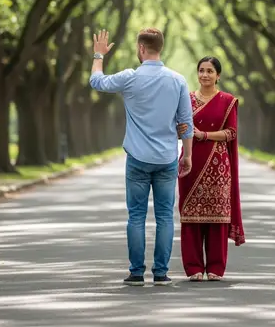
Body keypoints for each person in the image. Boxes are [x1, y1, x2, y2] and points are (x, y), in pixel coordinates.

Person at [89, 28, 194, 287]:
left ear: (141, 48)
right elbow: (186, 122)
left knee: (136, 216)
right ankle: (161, 273)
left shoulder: (129, 78)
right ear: (160, 48)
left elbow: (96, 82)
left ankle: (136, 273)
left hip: (137, 157)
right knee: (165, 217)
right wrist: (187, 155)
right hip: (167, 158)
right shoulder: (177, 80)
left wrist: (98, 54)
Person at [177, 56, 245, 282]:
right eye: (201, 70)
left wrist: (204, 135)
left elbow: (231, 133)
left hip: (218, 166)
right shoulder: (186, 100)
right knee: (191, 217)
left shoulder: (227, 101)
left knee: (217, 217)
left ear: (218, 75)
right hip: (190, 163)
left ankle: (216, 266)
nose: (205, 75)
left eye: (209, 71)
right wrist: (183, 131)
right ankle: (193, 267)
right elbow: (178, 127)